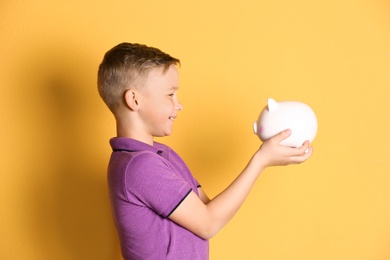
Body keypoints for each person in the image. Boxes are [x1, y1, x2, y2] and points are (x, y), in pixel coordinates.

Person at [97, 42, 313, 260]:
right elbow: (208, 224)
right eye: (170, 95)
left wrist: (266, 157)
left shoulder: (162, 154)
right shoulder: (139, 166)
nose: (178, 104)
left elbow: (210, 211)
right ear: (134, 100)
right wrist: (260, 161)